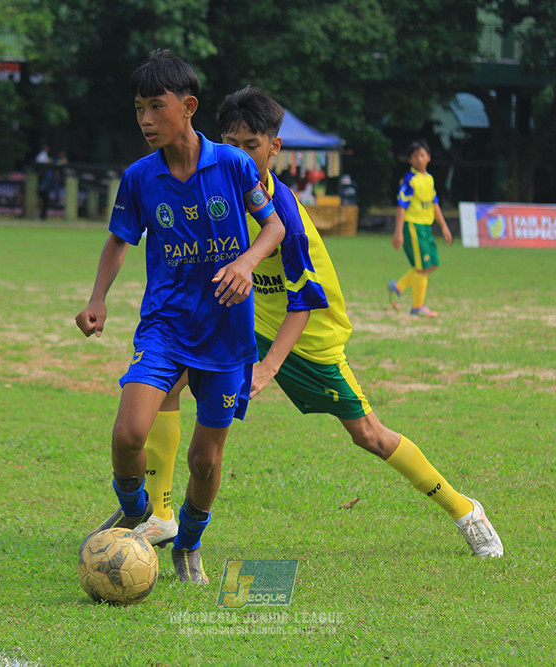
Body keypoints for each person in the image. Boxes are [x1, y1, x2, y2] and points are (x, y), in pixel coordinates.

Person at [134, 87, 504, 562]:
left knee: (369, 434)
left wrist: (268, 368)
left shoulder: (284, 213)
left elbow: (304, 303)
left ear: (274, 148)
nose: (240, 154)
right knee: (167, 382)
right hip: (246, 324)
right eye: (231, 143)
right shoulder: (215, 189)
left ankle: (466, 510)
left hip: (308, 337)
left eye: (252, 144)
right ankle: (162, 513)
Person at [74, 52, 286, 585]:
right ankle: (136, 507)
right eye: (139, 109)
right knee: (128, 433)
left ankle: (188, 544)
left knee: (205, 460)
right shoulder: (140, 178)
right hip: (165, 328)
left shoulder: (234, 165)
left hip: (227, 335)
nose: (145, 119)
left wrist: (245, 261)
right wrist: (98, 298)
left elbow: (275, 227)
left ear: (187, 107)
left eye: (155, 107)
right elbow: (119, 241)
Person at [387, 140, 453, 317]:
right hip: (413, 227)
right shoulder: (410, 181)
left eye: (422, 155)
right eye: (415, 156)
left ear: (429, 158)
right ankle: (417, 307)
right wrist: (398, 232)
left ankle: (398, 286)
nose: (419, 159)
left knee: (433, 264)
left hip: (426, 228)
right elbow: (401, 207)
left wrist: (444, 228)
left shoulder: (429, 179)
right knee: (422, 267)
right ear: (410, 160)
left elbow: (435, 204)